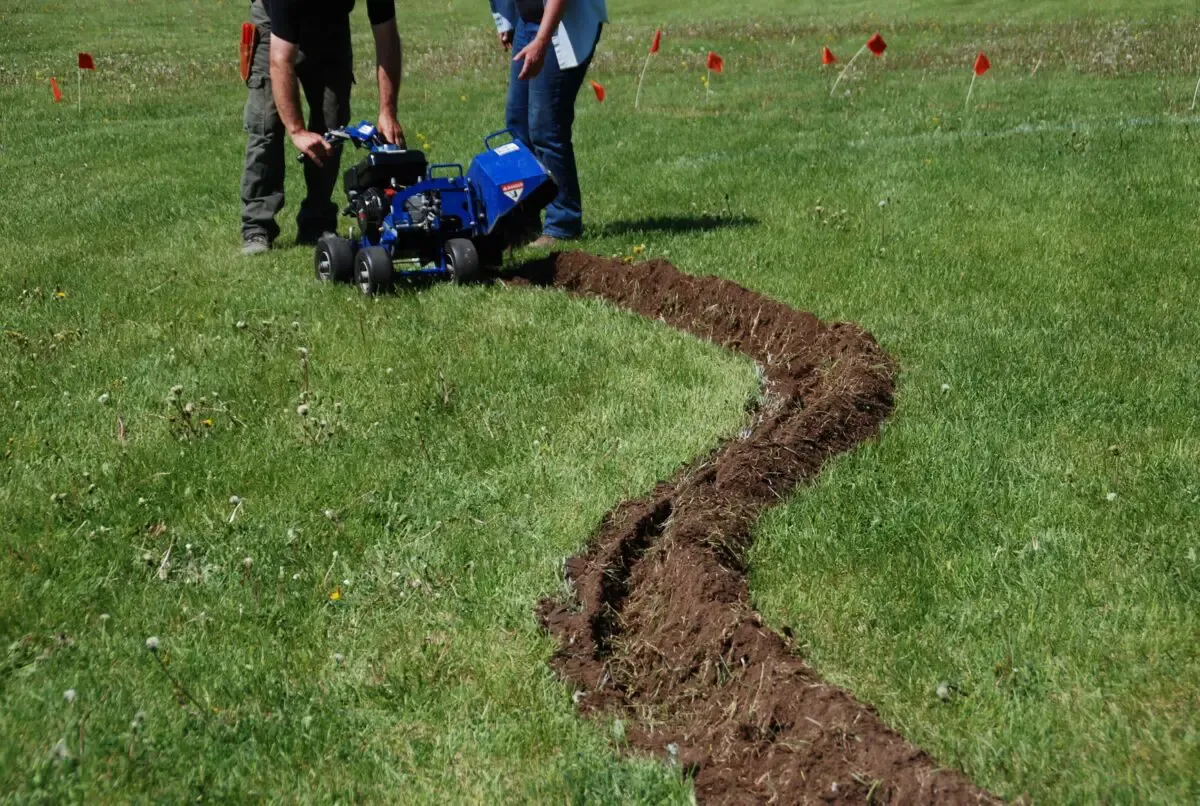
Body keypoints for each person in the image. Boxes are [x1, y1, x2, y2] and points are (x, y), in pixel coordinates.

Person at [240, 0, 406, 256]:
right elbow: (280, 60)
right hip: (273, 21)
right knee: (267, 123)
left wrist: (388, 111)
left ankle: (316, 221)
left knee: (333, 120)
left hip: (331, 23)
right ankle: (257, 225)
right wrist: (297, 131)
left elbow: (387, 37)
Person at [489, 0, 606, 248]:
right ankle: (525, 219)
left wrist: (541, 41)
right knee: (518, 123)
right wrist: (507, 19)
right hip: (528, 21)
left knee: (546, 128)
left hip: (560, 23)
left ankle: (563, 223)